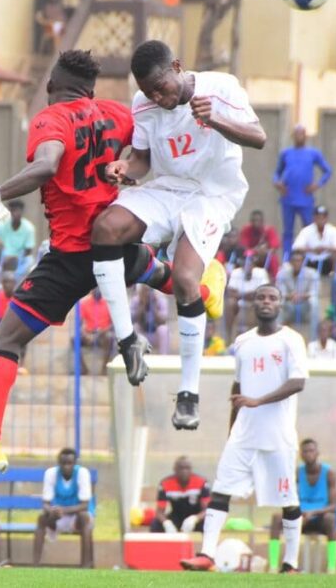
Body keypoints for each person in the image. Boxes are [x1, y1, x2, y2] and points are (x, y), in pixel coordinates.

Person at [0, 50, 172, 487]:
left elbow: (45, 165)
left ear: (50, 88)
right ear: (91, 87)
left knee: (3, 339)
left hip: (72, 255)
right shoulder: (116, 112)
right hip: (115, 240)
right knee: (157, 273)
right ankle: (206, 286)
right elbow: (147, 142)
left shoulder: (52, 120)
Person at [92, 39, 263, 431]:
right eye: (149, 90)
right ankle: (127, 340)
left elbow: (258, 137)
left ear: (178, 67)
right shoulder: (144, 103)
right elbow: (142, 161)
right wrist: (123, 168)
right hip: (169, 188)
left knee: (186, 279)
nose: (157, 96)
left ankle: (189, 394)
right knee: (105, 229)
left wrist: (216, 119)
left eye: (161, 87)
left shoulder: (220, 88)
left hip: (211, 194)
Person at [180, 284, 308, 572]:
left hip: (278, 436)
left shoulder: (291, 340)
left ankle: (291, 563)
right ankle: (207, 555)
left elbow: (298, 382)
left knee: (288, 500)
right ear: (253, 303)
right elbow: (237, 388)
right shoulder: (242, 342)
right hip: (243, 435)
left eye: (272, 298)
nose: (266, 301)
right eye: (261, 297)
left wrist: (257, 400)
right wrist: (231, 430)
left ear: (280, 304)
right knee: (221, 490)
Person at [269, 438, 336, 574]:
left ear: (318, 453)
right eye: (305, 451)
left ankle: (332, 568)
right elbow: (288, 497)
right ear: (301, 455)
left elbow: (333, 506)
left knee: (331, 519)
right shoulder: (296, 472)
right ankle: (273, 566)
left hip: (321, 517)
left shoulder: (329, 473)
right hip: (301, 517)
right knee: (277, 518)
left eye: (312, 450)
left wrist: (312, 513)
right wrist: (298, 513)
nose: (309, 454)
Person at [273, 124, 332, 258]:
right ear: (293, 136)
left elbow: (327, 171)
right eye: (297, 133)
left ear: (306, 136)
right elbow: (276, 174)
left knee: (309, 229)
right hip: (288, 198)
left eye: (302, 133)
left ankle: (309, 258)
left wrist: (317, 185)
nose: (299, 136)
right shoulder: (286, 153)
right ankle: (287, 258)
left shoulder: (313, 153)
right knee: (288, 232)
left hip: (305, 199)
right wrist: (278, 183)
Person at [34, 448, 94, 568]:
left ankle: (86, 566)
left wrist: (64, 510)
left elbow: (85, 505)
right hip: (57, 517)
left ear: (75, 463)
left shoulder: (82, 473)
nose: (66, 466)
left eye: (70, 463)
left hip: (76, 517)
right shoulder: (51, 474)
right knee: (41, 518)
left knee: (85, 517)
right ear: (59, 463)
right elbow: (45, 503)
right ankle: (35, 565)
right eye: (63, 463)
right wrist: (52, 511)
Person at [152, 456, 208, 534]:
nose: (184, 471)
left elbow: (206, 510)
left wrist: (195, 519)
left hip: (195, 517)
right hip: (176, 516)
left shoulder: (201, 482)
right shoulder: (165, 484)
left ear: (191, 469)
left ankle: (207, 545)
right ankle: (158, 546)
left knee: (208, 523)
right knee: (156, 524)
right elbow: (159, 512)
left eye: (187, 468)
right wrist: (166, 523)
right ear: (175, 469)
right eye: (181, 468)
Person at [224, 250, 271, 343]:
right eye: (245, 261)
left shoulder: (261, 272)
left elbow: (262, 292)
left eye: (250, 261)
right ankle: (228, 338)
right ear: (241, 263)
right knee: (230, 303)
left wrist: (241, 294)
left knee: (263, 302)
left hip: (256, 303)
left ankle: (263, 337)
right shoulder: (236, 272)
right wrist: (249, 294)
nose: (248, 264)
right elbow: (230, 292)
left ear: (254, 263)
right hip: (239, 303)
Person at [0, 199, 36, 279]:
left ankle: (14, 279)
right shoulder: (2, 224)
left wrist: (14, 257)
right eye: (13, 211)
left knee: (30, 260)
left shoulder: (29, 228)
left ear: (22, 212)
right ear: (10, 212)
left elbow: (28, 250)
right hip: (2, 256)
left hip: (18, 258)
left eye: (18, 211)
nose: (15, 214)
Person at [276, 250, 320, 340]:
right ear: (290, 262)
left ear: (303, 262)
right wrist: (291, 296)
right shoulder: (282, 274)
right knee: (278, 303)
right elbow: (281, 293)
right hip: (288, 306)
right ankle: (276, 337)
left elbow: (314, 292)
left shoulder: (312, 273)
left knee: (315, 303)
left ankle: (313, 340)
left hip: (305, 307)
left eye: (299, 260)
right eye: (294, 260)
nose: (297, 263)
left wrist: (301, 296)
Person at [292, 205, 336, 275]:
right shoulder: (306, 230)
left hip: (327, 261)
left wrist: (325, 248)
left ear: (326, 218)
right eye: (318, 217)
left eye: (323, 217)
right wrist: (312, 250)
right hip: (310, 261)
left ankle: (335, 276)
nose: (321, 220)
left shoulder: (333, 230)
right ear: (314, 218)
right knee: (297, 256)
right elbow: (296, 246)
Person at [78, 289, 114, 375]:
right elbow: (80, 324)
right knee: (75, 340)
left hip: (103, 333)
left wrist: (101, 332)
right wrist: (85, 334)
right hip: (89, 333)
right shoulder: (84, 303)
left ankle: (104, 368)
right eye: (95, 287)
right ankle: (84, 369)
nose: (97, 289)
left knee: (110, 337)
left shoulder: (108, 303)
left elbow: (113, 325)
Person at [238, 209, 281, 277]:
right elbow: (243, 247)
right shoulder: (246, 229)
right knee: (245, 257)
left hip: (265, 255)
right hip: (252, 255)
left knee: (273, 258)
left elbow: (274, 247)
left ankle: (275, 279)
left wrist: (264, 251)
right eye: (254, 220)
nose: (256, 222)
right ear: (251, 221)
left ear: (262, 221)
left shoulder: (269, 230)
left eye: (258, 220)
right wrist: (256, 250)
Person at [131, 283, 171, 356]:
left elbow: (163, 320)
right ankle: (137, 357)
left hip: (155, 334)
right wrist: (142, 305)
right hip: (143, 334)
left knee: (163, 329)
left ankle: (163, 357)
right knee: (135, 327)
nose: (148, 293)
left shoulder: (160, 300)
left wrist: (154, 306)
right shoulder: (136, 301)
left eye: (149, 291)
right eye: (145, 290)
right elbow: (133, 320)